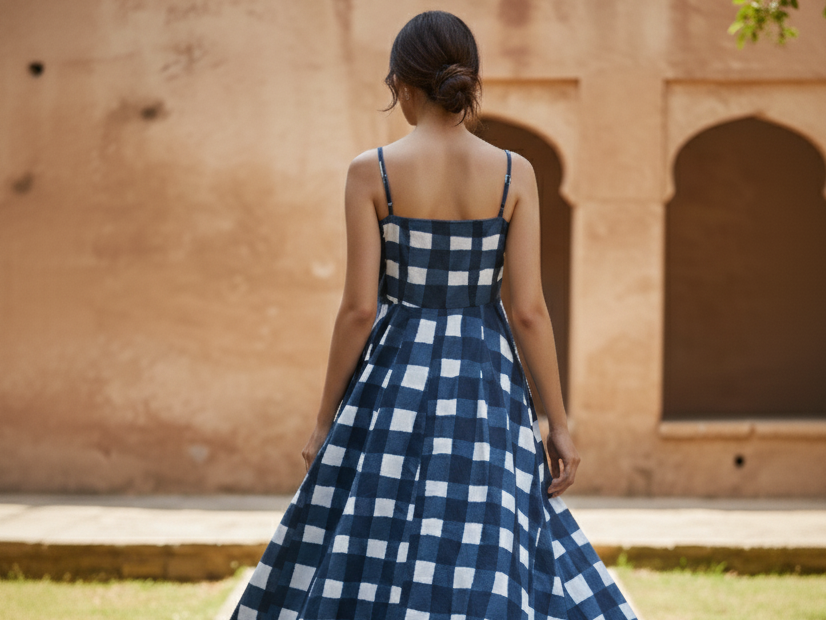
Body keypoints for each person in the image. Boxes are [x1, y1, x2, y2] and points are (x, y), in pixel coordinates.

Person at [231, 10, 636, 620]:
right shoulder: (513, 173)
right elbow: (527, 310)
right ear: (467, 80)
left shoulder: (372, 172)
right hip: (486, 381)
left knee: (377, 530)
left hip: (395, 376)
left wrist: (324, 419)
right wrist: (558, 420)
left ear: (399, 83)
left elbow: (359, 308)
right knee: (484, 534)